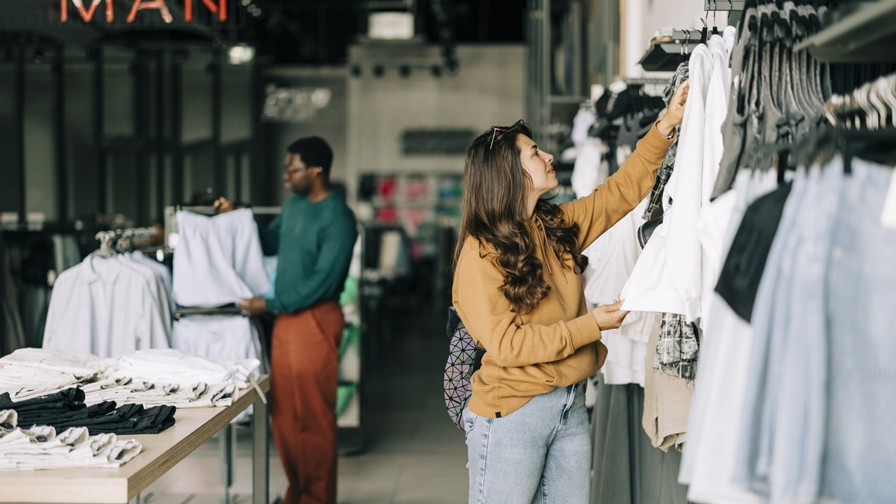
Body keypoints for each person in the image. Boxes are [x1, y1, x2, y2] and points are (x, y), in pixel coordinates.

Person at [452, 82, 689, 503]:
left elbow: (618, 194)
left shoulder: (553, 226)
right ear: (508, 173)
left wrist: (667, 123)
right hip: (512, 414)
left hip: (569, 407)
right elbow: (507, 345)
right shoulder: (479, 253)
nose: (547, 156)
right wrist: (590, 325)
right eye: (534, 152)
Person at [214, 136, 358, 504]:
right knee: (284, 414)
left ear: (316, 170)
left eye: (291, 169)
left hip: (315, 319)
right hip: (286, 321)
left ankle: (318, 497)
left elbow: (323, 283)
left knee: (313, 415)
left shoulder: (338, 217)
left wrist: (269, 303)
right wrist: (237, 216)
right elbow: (267, 241)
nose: (285, 176)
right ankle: (298, 491)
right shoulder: (293, 207)